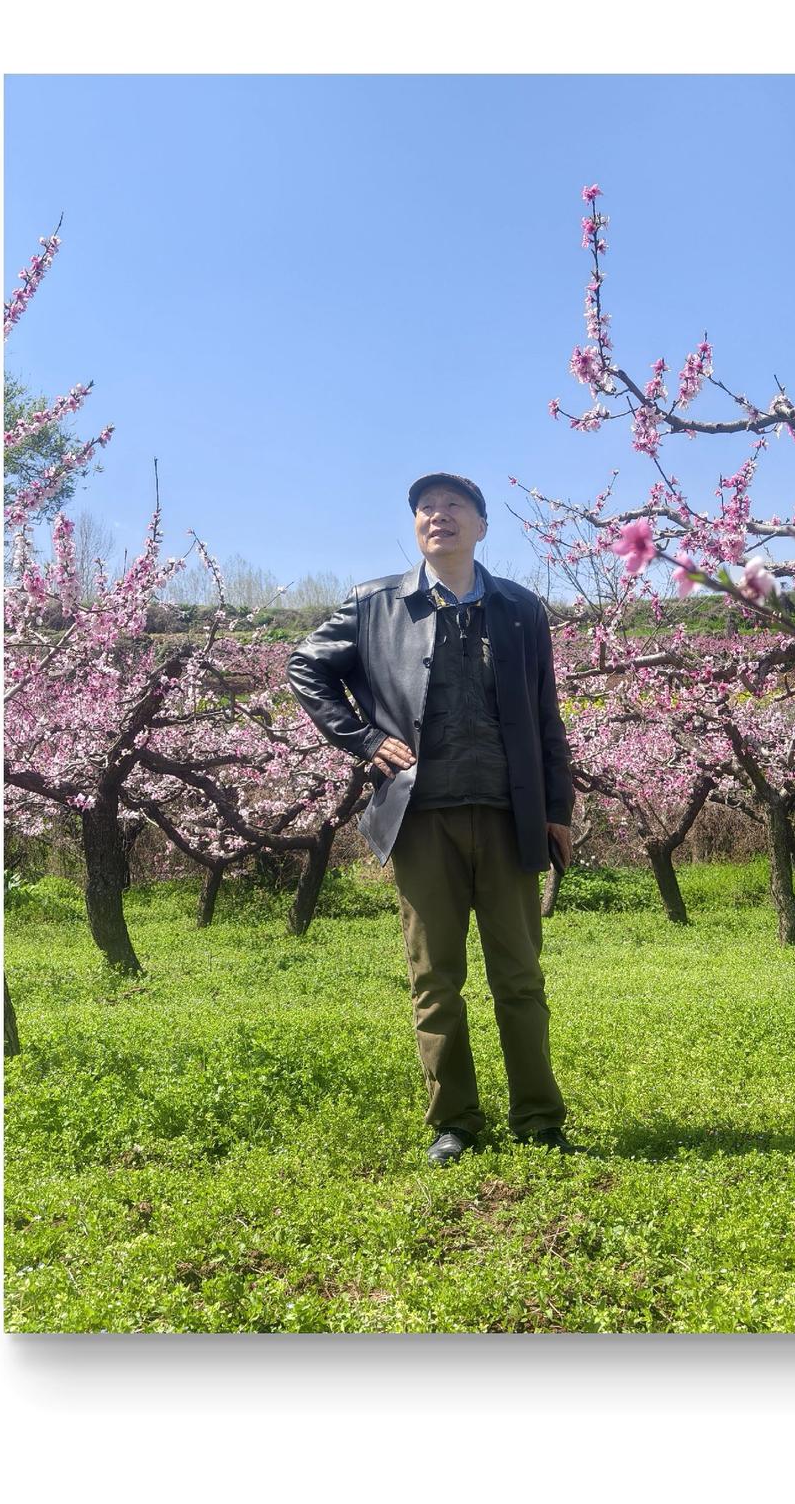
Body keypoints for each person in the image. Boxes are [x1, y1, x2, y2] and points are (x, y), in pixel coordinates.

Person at [286, 472, 579, 1164]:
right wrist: (363, 739)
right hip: (421, 819)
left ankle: (539, 1117)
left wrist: (557, 809)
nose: (437, 515)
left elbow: (545, 712)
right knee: (435, 979)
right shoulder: (375, 603)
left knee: (520, 977)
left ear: (481, 526)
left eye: (453, 506)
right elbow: (305, 666)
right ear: (416, 525)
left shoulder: (520, 609)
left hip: (509, 815)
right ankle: (455, 1120)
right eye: (425, 507)